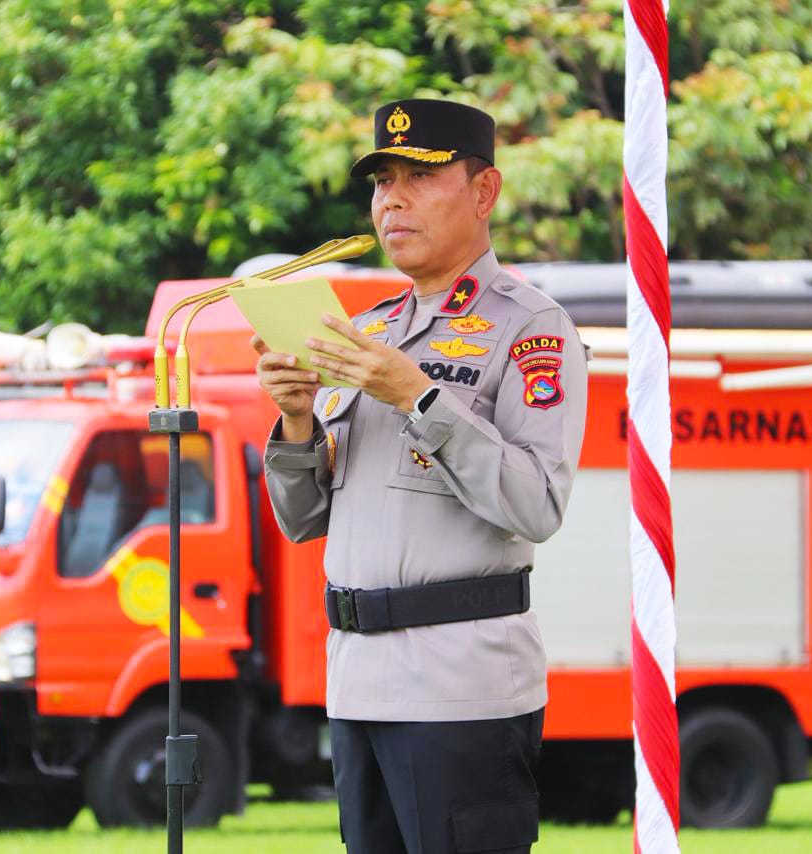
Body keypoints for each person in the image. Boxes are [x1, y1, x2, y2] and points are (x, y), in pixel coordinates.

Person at [254, 98, 588, 854]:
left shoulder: (530, 327)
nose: (392, 200)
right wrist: (299, 418)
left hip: (460, 688)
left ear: (483, 192)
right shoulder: (361, 333)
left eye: (419, 177)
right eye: (381, 182)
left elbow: (537, 504)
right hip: (358, 680)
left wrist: (417, 395)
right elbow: (304, 520)